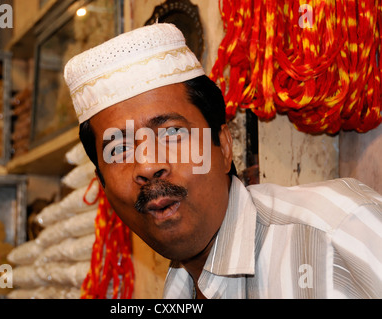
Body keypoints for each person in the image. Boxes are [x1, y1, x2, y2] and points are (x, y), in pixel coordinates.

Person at [64, 23, 382, 299]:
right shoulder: (177, 289)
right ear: (102, 184)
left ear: (225, 145)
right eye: (118, 150)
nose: (147, 165)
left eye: (172, 132)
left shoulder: (335, 231)